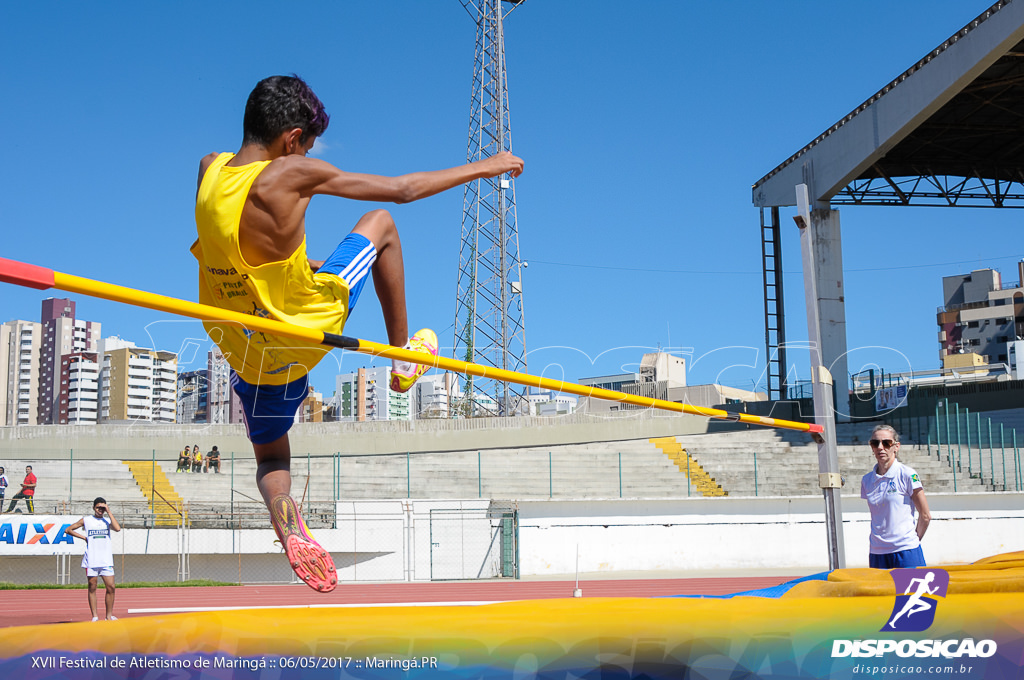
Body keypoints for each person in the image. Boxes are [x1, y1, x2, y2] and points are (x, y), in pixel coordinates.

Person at [192, 74, 523, 592]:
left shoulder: (208, 170)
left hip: (248, 349)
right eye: (306, 145)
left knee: (273, 458)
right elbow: (402, 190)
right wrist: (489, 165)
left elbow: (242, 255)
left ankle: (289, 531)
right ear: (292, 139)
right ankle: (402, 357)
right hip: (303, 330)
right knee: (382, 223)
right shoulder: (287, 175)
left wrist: (303, 266)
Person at [860, 425, 932, 569]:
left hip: (906, 551)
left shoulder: (907, 474)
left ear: (896, 446)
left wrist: (911, 541)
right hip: (877, 552)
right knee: (883, 592)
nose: (880, 447)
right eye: (875, 443)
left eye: (886, 443)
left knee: (915, 592)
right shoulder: (866, 480)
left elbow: (925, 516)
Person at [64, 497, 122, 621]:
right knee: (92, 586)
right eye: (98, 507)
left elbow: (117, 528)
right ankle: (95, 616)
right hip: (92, 559)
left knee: (111, 587)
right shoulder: (87, 520)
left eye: (102, 508)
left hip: (105, 559)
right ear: (93, 507)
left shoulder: (107, 521)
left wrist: (109, 512)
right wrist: (84, 538)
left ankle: (108, 616)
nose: (100, 510)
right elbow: (68, 530)